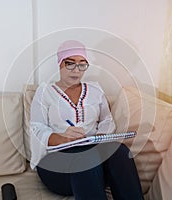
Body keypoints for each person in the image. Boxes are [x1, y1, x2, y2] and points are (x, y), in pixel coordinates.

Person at [30, 40, 143, 200]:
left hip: (94, 159)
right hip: (58, 166)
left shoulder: (95, 90)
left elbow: (107, 121)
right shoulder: (44, 92)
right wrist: (63, 137)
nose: (76, 70)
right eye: (70, 63)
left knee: (120, 151)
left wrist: (99, 139)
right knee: (85, 157)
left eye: (82, 64)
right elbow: (37, 129)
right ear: (60, 64)